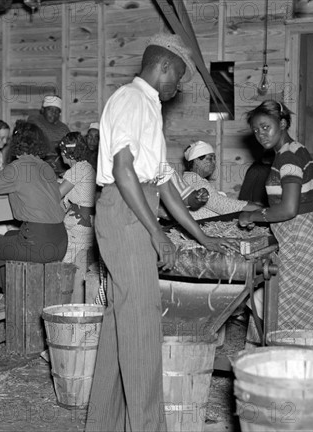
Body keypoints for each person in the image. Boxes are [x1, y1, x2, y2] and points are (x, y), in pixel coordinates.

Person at [87, 34, 235, 432]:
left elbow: (166, 184)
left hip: (136, 209)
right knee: (143, 329)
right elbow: (123, 172)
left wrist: (202, 237)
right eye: (179, 78)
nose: (179, 87)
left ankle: (103, 424)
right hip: (125, 212)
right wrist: (157, 234)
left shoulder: (149, 106)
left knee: (123, 324)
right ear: (163, 66)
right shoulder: (131, 100)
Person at [239, 100, 313, 336]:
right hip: (304, 238)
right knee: (299, 312)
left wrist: (254, 215)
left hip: (301, 242)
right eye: (256, 130)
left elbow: (289, 209)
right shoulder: (293, 150)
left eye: (265, 127)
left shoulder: (288, 157)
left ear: (282, 123)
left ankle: (297, 367)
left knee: (294, 314)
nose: (261, 134)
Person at [0, 120, 67, 264]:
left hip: (37, 243)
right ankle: (7, 286)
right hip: (60, 241)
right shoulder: (47, 167)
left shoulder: (17, 167)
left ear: (16, 142)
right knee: (8, 234)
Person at [58, 132, 97, 301]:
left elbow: (57, 194)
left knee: (66, 266)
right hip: (86, 224)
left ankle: (66, 301)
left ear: (67, 153)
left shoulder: (77, 169)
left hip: (79, 227)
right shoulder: (86, 167)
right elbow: (66, 200)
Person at [183, 140, 262, 219]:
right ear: (196, 160)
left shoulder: (195, 179)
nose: (214, 162)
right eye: (210, 159)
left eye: (214, 159)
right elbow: (219, 204)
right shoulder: (192, 179)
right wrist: (254, 207)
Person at [27, 95, 70, 175]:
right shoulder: (34, 121)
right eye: (50, 109)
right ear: (43, 110)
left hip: (60, 170)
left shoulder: (64, 129)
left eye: (57, 111)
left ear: (60, 113)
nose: (53, 113)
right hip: (37, 168)